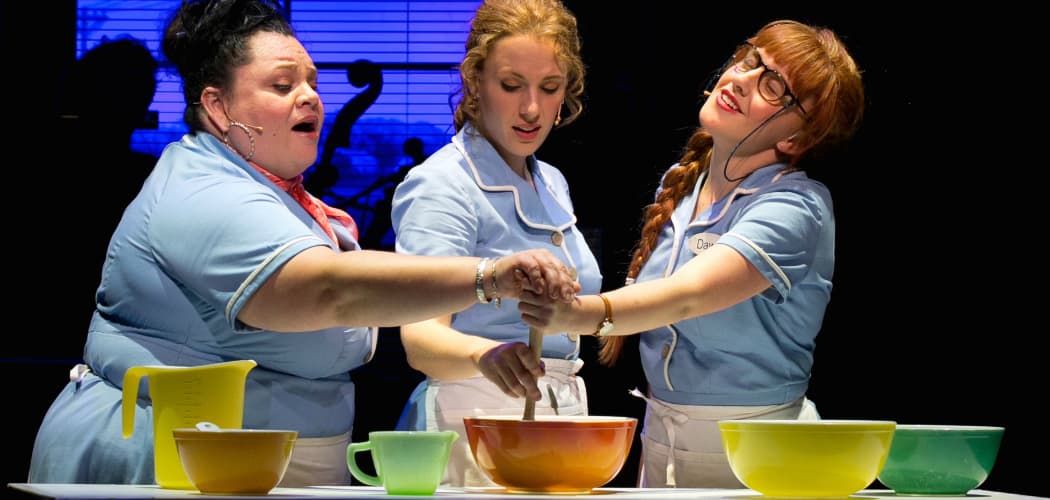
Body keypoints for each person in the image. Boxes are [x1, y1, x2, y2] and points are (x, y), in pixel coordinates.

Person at [27, 0, 578, 488]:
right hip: (165, 459)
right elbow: (326, 290)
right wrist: (488, 276)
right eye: (282, 85)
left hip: (262, 465)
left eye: (312, 81)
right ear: (217, 107)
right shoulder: (200, 188)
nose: (310, 96)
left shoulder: (280, 196)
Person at [520, 19, 865, 488]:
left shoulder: (797, 206)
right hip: (661, 439)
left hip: (763, 453)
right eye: (749, 60)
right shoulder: (681, 185)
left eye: (773, 86)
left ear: (797, 139)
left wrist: (576, 314)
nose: (742, 79)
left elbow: (689, 295)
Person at [389, 0, 601, 487]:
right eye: (511, 85)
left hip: (559, 416)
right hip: (470, 416)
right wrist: (485, 355)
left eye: (549, 87)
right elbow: (420, 339)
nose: (531, 109)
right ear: (474, 81)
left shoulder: (552, 181)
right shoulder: (443, 183)